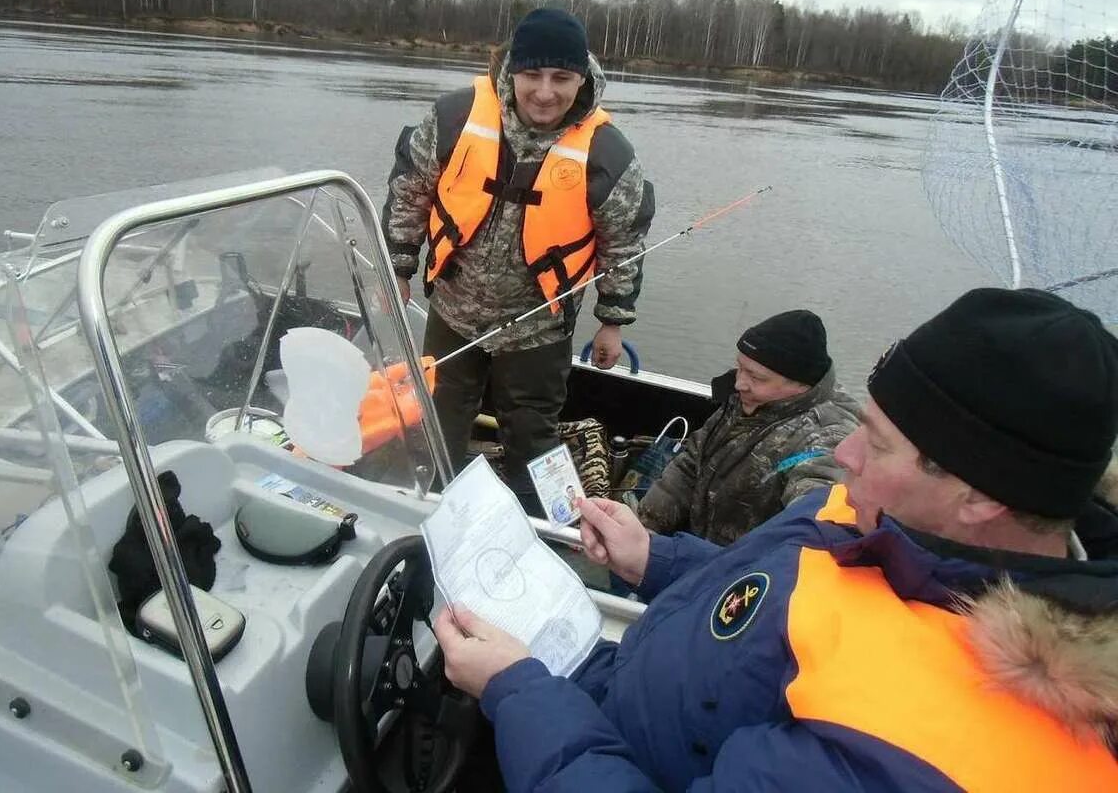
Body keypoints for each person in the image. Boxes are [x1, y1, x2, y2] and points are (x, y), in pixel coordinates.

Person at [433, 288, 1118, 791]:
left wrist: (516, 691)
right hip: (594, 698)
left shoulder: (915, 756)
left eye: (877, 443)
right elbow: (762, 584)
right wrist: (657, 557)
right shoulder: (885, 515)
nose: (844, 453)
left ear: (981, 498)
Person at [382, 7, 654, 509]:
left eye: (561, 77)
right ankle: (427, 508)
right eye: (532, 74)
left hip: (540, 328)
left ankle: (549, 527)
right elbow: (409, 192)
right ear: (512, 71)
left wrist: (613, 321)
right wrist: (399, 265)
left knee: (534, 437)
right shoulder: (454, 116)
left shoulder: (608, 153)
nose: (545, 92)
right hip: (454, 311)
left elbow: (623, 243)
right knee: (437, 421)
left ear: (582, 78)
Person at [639, 309, 859, 545]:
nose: (739, 383)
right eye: (740, 367)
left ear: (801, 384)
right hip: (695, 548)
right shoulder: (749, 398)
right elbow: (692, 463)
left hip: (742, 573)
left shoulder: (829, 439)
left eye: (756, 377)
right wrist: (645, 527)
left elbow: (813, 526)